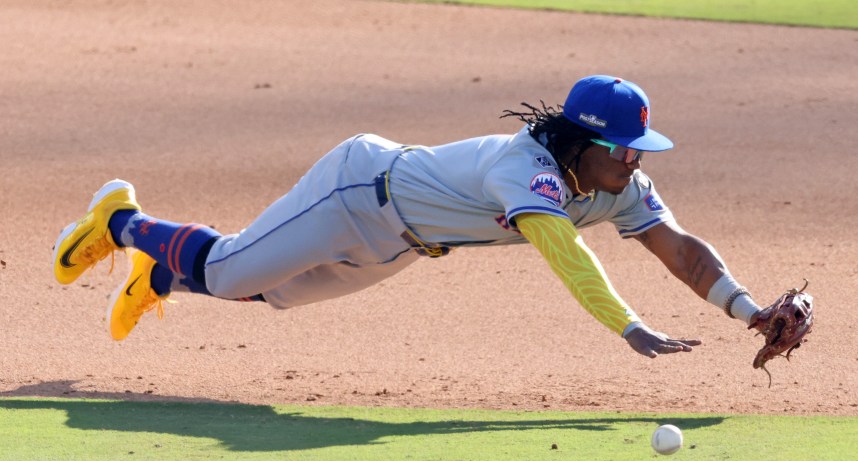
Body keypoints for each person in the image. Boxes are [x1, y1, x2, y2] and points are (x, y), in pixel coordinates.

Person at [53, 74, 763, 357]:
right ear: (583, 139)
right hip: (356, 190)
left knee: (276, 293)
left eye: (640, 150)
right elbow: (566, 252)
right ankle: (122, 222)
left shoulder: (617, 185)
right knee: (233, 269)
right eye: (624, 148)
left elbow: (683, 252)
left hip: (400, 244)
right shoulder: (524, 169)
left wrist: (751, 310)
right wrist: (630, 326)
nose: (635, 161)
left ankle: (162, 278)